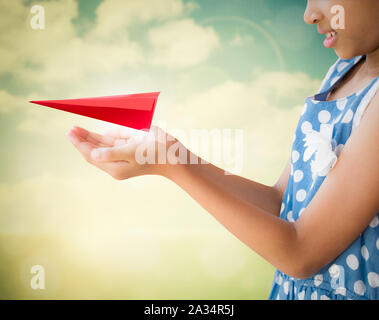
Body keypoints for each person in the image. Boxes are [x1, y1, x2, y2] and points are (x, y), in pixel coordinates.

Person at [66, 0, 379, 300]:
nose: (310, 14)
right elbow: (280, 203)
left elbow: (300, 252)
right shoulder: (341, 71)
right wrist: (173, 155)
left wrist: (175, 167)